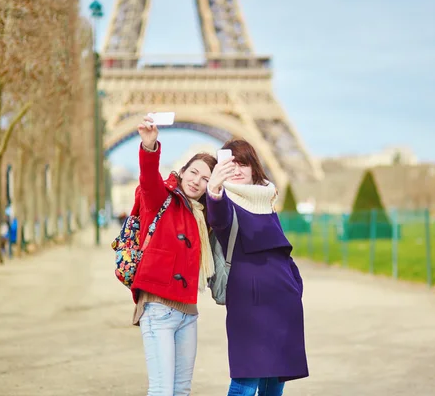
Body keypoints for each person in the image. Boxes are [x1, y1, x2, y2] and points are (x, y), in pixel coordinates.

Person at [206, 138, 309, 396]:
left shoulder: (266, 201)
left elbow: (281, 249)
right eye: (231, 165)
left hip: (283, 303)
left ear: (254, 168)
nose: (238, 170)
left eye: (244, 163)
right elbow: (218, 219)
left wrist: (295, 283)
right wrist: (215, 189)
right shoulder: (225, 201)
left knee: (275, 382)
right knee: (246, 379)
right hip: (249, 304)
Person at [131, 115, 217, 396]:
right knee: (162, 390)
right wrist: (149, 147)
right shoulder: (162, 198)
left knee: (181, 391)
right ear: (183, 171)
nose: (197, 181)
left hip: (188, 313)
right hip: (158, 308)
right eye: (194, 172)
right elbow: (148, 180)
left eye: (205, 179)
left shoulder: (204, 215)